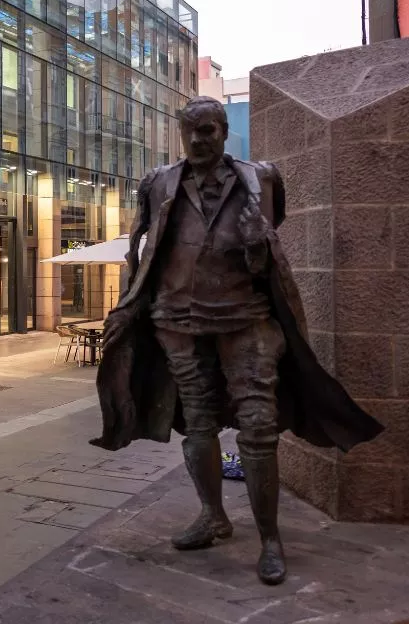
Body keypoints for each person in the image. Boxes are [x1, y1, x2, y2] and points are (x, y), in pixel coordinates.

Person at [90, 96, 383, 585]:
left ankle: (270, 538)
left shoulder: (261, 178)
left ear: (224, 131)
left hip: (245, 319)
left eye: (208, 130)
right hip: (177, 321)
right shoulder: (158, 182)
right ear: (180, 134)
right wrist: (128, 306)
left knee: (258, 426)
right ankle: (213, 516)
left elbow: (270, 244)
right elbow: (143, 250)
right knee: (197, 423)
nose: (198, 139)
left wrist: (254, 244)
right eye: (190, 131)